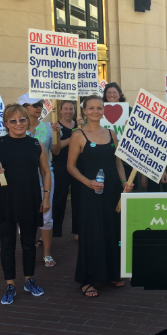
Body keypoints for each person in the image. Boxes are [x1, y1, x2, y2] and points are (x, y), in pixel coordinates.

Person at [0, 104, 51, 305]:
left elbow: (45, 172)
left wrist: (46, 196)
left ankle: (29, 279)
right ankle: (10, 284)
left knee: (29, 243)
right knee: (7, 244)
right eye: (13, 120)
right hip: (5, 199)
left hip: (30, 198)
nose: (18, 124)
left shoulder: (36, 144)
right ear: (6, 124)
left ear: (27, 121)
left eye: (22, 119)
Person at [67, 95, 133, 297]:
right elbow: (70, 167)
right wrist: (88, 183)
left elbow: (118, 163)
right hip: (91, 192)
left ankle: (112, 273)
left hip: (112, 192)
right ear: (84, 111)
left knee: (113, 232)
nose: (96, 111)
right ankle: (87, 280)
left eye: (99, 108)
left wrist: (124, 183)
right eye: (91, 108)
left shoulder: (112, 133)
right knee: (92, 235)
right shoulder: (78, 135)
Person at [17, 94, 61, 267]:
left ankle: (47, 254)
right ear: (23, 107)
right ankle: (28, 250)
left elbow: (56, 152)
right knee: (24, 216)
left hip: (45, 177)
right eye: (34, 104)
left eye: (41, 104)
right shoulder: (16, 128)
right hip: (23, 180)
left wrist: (56, 134)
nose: (39, 107)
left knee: (46, 216)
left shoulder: (49, 127)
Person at [52, 100, 81, 239]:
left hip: (77, 166)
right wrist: (75, 136)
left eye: (71, 109)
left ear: (75, 110)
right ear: (60, 110)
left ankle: (77, 231)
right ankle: (53, 231)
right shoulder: (56, 126)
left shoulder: (79, 125)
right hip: (60, 166)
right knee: (58, 199)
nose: (68, 111)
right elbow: (56, 149)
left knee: (78, 199)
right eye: (65, 109)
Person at [102, 82, 138, 191]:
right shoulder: (99, 110)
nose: (111, 95)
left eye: (114, 92)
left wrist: (132, 126)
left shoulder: (130, 110)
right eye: (109, 92)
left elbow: (140, 130)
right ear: (105, 94)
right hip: (106, 157)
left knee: (127, 190)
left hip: (126, 159)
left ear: (120, 94)